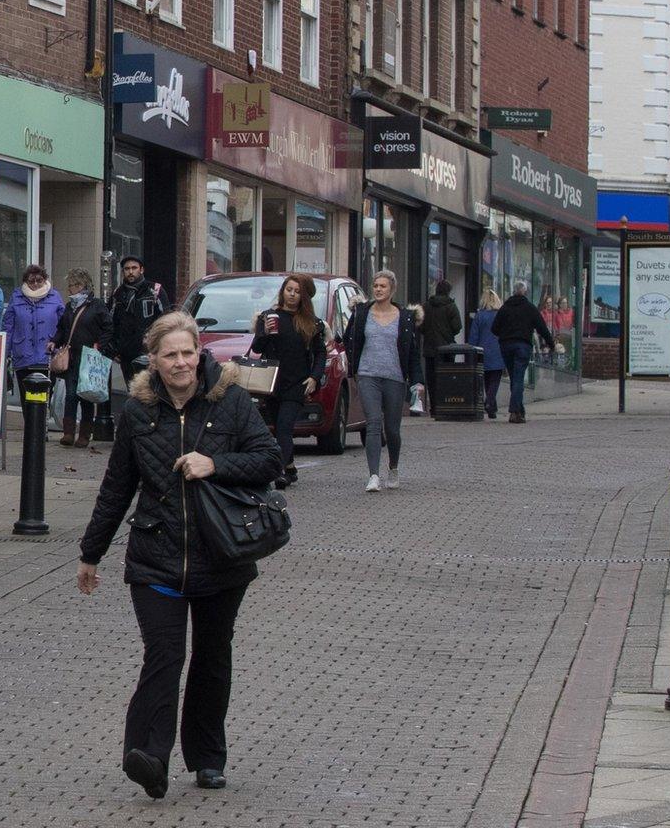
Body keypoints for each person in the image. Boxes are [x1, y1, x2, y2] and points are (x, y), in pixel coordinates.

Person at [76, 311, 279, 799]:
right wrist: (91, 553)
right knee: (164, 653)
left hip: (221, 554)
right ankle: (149, 755)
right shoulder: (138, 411)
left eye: (188, 352)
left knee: (212, 656)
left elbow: (270, 459)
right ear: (154, 359)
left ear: (199, 353)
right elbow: (117, 487)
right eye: (171, 354)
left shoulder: (230, 400)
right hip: (156, 552)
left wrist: (216, 464)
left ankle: (208, 757)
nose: (181, 362)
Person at [342, 270, 422, 491]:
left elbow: (413, 353)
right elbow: (350, 340)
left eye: (382, 286)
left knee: (392, 429)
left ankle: (393, 467)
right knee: (373, 423)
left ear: (392, 290)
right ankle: (374, 476)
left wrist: (418, 381)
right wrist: (354, 367)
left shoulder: (404, 317)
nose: (378, 289)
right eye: (375, 285)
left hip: (395, 378)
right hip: (368, 375)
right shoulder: (361, 313)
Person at [248, 274, 326, 488]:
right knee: (276, 426)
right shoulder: (270, 316)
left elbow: (320, 354)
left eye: (297, 291)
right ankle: (290, 467)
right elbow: (257, 349)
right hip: (272, 382)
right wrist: (265, 332)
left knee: (284, 426)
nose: (292, 294)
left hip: (297, 383)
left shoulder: (311, 323)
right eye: (289, 289)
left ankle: (280, 471)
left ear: (304, 297)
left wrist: (314, 377)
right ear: (283, 291)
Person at [56, 269, 113, 448]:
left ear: (85, 286)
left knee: (86, 396)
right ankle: (68, 432)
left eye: (76, 285)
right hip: (72, 357)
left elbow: (108, 328)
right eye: (71, 285)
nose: (72, 288)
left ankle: (84, 434)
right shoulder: (68, 307)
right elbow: (62, 329)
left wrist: (99, 345)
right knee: (71, 395)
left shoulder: (96, 305)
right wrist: (54, 341)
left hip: (88, 358)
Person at [489, 280, 556, 425]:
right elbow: (542, 328)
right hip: (522, 345)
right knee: (518, 378)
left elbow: (494, 328)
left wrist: (505, 334)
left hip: (506, 345)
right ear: (525, 292)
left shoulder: (505, 308)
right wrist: (551, 344)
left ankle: (520, 411)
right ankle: (515, 411)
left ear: (514, 291)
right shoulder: (530, 308)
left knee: (515, 378)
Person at [0, 264, 65, 395]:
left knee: (44, 399)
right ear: (25, 281)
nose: (35, 284)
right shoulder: (17, 297)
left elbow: (63, 325)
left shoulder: (54, 297)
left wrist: (59, 345)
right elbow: (8, 327)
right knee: (26, 399)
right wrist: (4, 353)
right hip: (23, 355)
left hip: (47, 356)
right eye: (31, 281)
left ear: (45, 280)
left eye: (39, 280)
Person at [105, 256, 168, 383]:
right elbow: (110, 322)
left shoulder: (155, 290)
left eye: (134, 268)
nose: (130, 272)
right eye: (127, 269)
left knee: (150, 390)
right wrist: (113, 348)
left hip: (149, 352)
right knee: (132, 391)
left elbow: (166, 319)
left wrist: (158, 346)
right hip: (125, 354)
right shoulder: (118, 294)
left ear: (141, 270)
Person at [419, 278, 463, 408]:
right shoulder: (451, 306)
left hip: (430, 348)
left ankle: (433, 405)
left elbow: (420, 325)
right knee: (447, 377)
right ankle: (445, 404)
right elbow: (457, 327)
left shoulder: (426, 306)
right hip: (446, 348)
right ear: (448, 291)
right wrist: (448, 334)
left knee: (431, 378)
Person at [467, 289, 508, 420]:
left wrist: (472, 350)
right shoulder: (500, 315)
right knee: (495, 380)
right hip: (498, 350)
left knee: (486, 380)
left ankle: (492, 408)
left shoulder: (480, 315)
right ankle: (490, 403)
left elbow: (474, 335)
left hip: (482, 351)